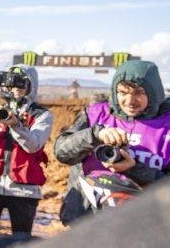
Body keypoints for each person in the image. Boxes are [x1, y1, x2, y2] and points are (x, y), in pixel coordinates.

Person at [54, 60, 170, 224]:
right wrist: (95, 135)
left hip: (141, 225)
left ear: (154, 92)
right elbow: (61, 152)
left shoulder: (166, 125)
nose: (129, 100)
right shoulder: (95, 115)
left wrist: (135, 169)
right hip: (85, 218)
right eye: (122, 92)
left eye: (139, 93)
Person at [0, 65, 53, 239]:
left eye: (20, 85)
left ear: (30, 86)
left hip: (23, 189)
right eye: (11, 85)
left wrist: (16, 125)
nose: (15, 90)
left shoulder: (42, 115)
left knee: (21, 240)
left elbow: (33, 145)